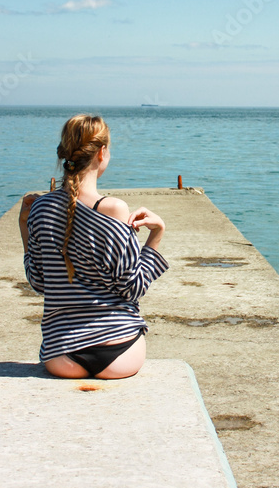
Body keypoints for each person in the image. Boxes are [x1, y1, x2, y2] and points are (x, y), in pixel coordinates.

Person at [19, 113, 168, 380]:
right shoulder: (113, 209)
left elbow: (39, 283)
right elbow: (132, 288)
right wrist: (156, 235)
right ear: (102, 153)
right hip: (118, 350)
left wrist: (24, 225)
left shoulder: (41, 208)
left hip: (61, 356)